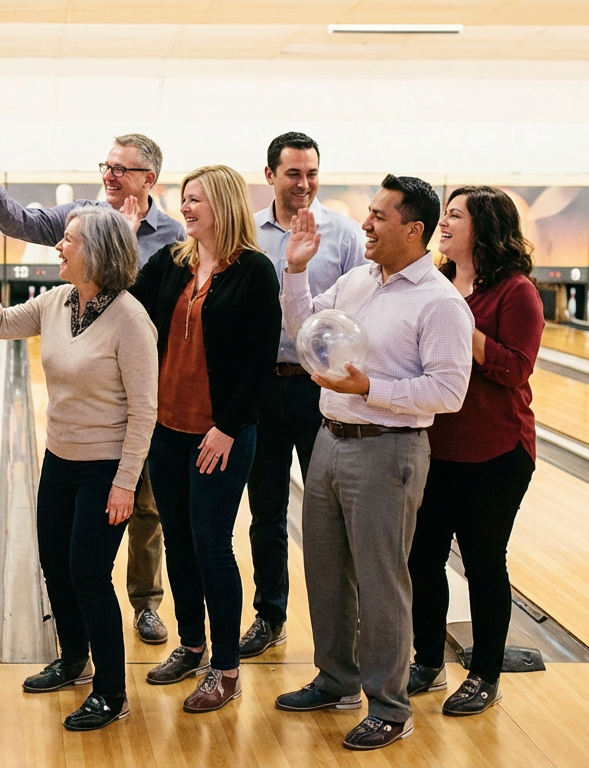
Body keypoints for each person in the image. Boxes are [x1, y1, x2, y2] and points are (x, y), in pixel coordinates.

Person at [273, 174, 473, 751]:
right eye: (368, 213)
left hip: (389, 450)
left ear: (414, 229)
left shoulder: (438, 303)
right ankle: (336, 681)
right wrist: (294, 269)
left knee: (383, 582)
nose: (366, 223)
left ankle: (389, 705)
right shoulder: (358, 280)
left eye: (380, 216)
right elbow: (303, 327)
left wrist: (370, 388)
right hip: (329, 440)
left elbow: (447, 392)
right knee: (327, 571)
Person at [0, 132, 180, 645]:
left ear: (148, 179)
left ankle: (146, 603)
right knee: (71, 561)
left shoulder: (172, 238)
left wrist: (124, 246)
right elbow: (20, 224)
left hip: (137, 395)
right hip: (74, 431)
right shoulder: (78, 225)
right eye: (106, 165)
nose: (109, 175)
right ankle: (75, 653)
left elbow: (153, 318)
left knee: (144, 510)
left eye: (122, 169)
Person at [0, 206, 158, 732]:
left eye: (68, 240)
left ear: (95, 252)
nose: (58, 247)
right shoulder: (58, 301)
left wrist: (124, 483)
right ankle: (74, 658)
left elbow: (145, 411)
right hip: (60, 460)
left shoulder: (130, 320)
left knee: (89, 574)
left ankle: (112, 692)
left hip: (105, 468)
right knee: (55, 562)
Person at [129, 166, 281, 713]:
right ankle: (191, 644)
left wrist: (227, 427)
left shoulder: (256, 271)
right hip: (167, 430)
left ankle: (226, 668)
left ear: (222, 205)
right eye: (183, 200)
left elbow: (261, 359)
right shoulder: (173, 262)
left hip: (222, 433)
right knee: (178, 539)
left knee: (212, 545)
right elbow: (128, 299)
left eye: (195, 201)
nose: (185, 209)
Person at [407, 186, 542, 716]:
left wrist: (462, 324)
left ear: (483, 227)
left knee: (484, 562)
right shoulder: (437, 282)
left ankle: (485, 673)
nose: (443, 223)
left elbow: (514, 369)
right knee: (423, 559)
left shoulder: (516, 292)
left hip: (497, 451)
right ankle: (426, 662)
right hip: (435, 449)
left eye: (455, 215)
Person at [241, 132, 367, 658]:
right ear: (270, 175)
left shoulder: (342, 234)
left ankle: (344, 624)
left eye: (312, 173)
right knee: (266, 511)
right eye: (294, 174)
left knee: (334, 513)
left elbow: (363, 305)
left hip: (321, 392)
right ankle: (270, 615)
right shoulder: (245, 232)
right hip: (261, 388)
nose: (304, 184)